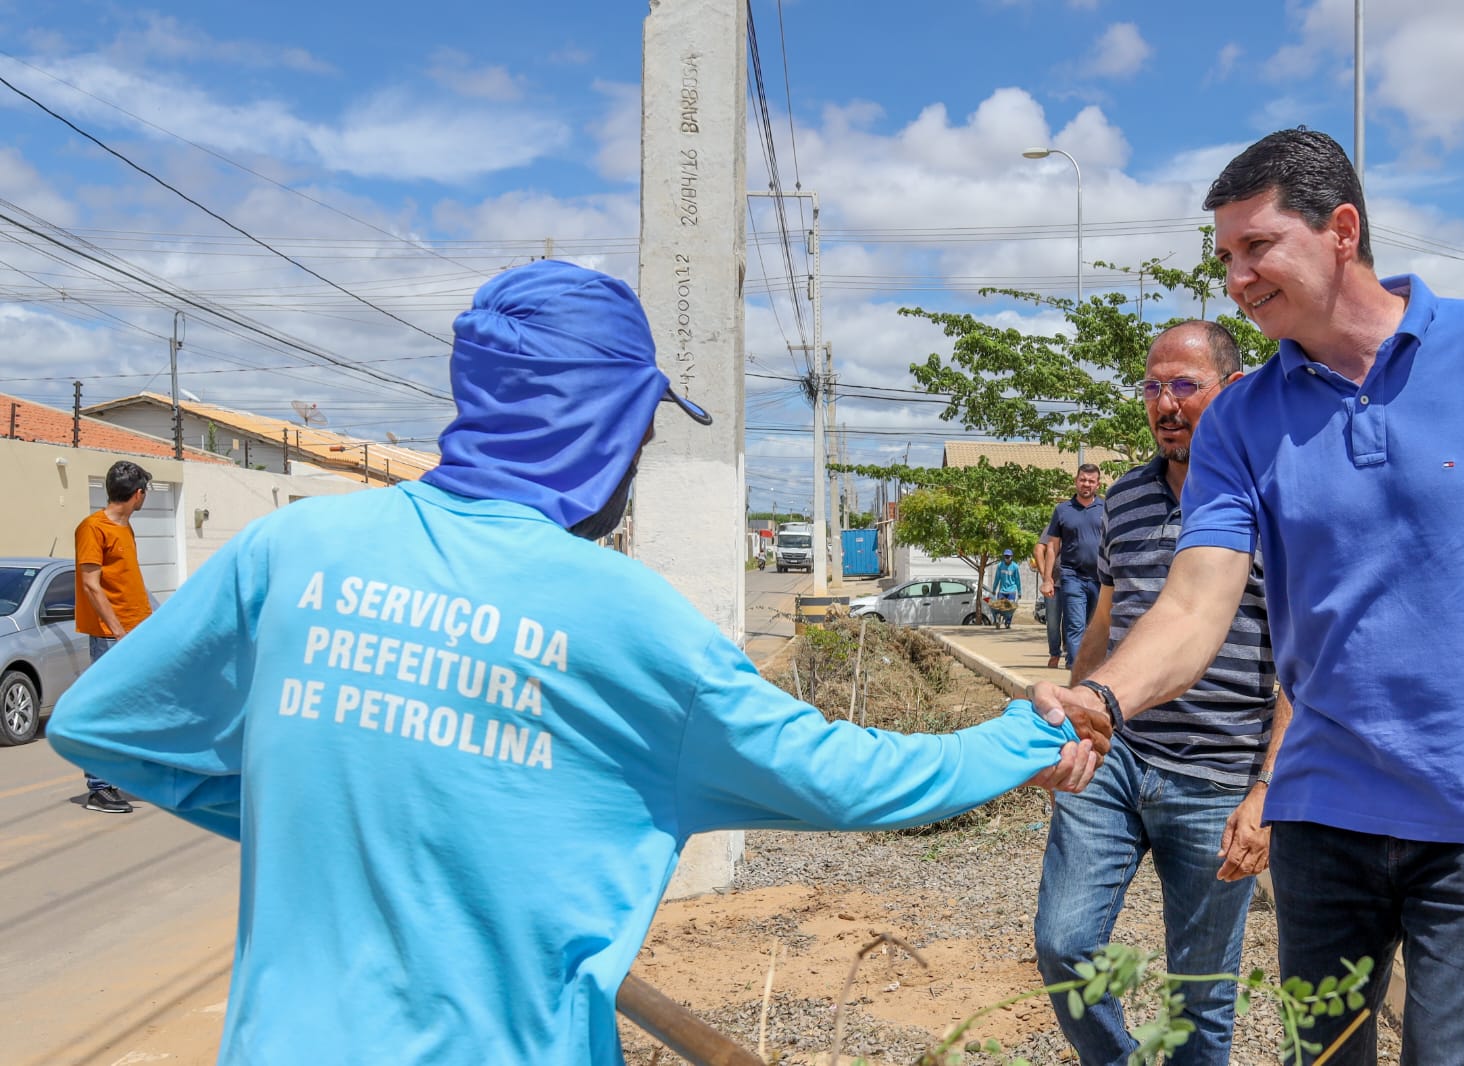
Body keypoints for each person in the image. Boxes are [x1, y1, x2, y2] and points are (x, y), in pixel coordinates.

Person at [47, 260, 1109, 1066]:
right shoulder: (630, 623)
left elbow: (104, 727)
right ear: (602, 427)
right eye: (639, 434)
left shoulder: (295, 550)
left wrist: (317, 821)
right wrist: (1031, 728)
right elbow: (850, 777)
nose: (637, 465)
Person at [1031, 128, 1464, 1065]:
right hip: (1323, 815)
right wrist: (1101, 700)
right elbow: (1192, 604)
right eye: (1224, 257)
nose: (1237, 278)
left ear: (1342, 230)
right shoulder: (1242, 419)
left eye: (1257, 247)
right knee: (1323, 1060)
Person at [1035, 320, 1289, 1065]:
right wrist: (1076, 721)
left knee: (1201, 998)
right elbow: (1105, 626)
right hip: (1117, 757)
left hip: (1218, 779)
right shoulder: (1126, 497)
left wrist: (1267, 789)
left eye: (1185, 385)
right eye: (1153, 386)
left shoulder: (1276, 503)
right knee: (1064, 947)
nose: (1165, 403)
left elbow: (1300, 667)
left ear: (1231, 389)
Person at [72, 459, 154, 815]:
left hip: (136, 632)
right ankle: (99, 787)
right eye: (144, 492)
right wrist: (119, 632)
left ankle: (122, 774)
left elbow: (127, 584)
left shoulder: (125, 528)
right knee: (107, 710)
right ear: (137, 494)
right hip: (111, 637)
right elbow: (92, 585)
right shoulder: (93, 528)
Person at [1038, 463, 1103, 669]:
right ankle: (1076, 668)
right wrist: (1048, 579)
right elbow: (1052, 546)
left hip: (1100, 578)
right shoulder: (1062, 510)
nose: (1086, 484)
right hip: (1071, 576)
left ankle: (1084, 664)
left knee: (1092, 627)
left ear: (1097, 485)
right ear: (1076, 481)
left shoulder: (1106, 508)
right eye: (1083, 480)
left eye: (1091, 481)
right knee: (1075, 625)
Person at [991, 548, 1022, 628]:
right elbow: (997, 578)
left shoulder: (1015, 567)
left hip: (1011, 590)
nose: (1007, 558)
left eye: (1008, 556)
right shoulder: (1000, 566)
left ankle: (1008, 623)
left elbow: (1018, 580)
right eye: (1005, 556)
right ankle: (998, 620)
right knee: (999, 607)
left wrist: (1019, 592)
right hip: (1002, 590)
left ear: (1011, 557)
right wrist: (994, 589)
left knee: (1010, 608)